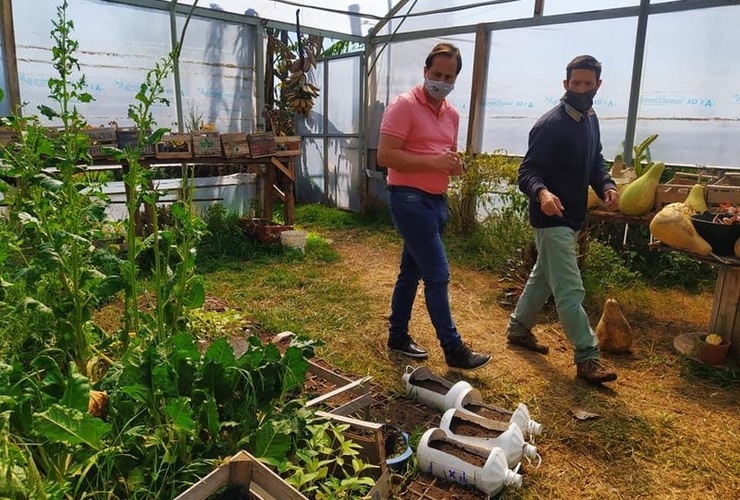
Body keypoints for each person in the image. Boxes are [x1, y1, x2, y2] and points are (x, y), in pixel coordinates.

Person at [377, 42, 491, 371]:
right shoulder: (403, 105)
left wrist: (453, 166)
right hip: (408, 200)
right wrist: (433, 161)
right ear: (425, 71)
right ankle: (453, 348)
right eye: (436, 73)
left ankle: (397, 336)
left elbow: (444, 157)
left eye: (449, 76)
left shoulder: (452, 114)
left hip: (436, 202)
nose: (441, 80)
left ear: (456, 78)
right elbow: (385, 156)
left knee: (411, 272)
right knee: (437, 275)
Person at [506, 54, 619, 384]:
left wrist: (607, 184)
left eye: (588, 84)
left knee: (543, 277)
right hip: (551, 217)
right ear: (565, 84)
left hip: (572, 217)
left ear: (598, 85)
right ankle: (587, 356)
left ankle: (517, 329)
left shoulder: (589, 119)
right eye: (575, 83)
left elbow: (595, 161)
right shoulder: (550, 125)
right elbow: (527, 171)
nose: (581, 89)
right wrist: (542, 193)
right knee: (570, 289)